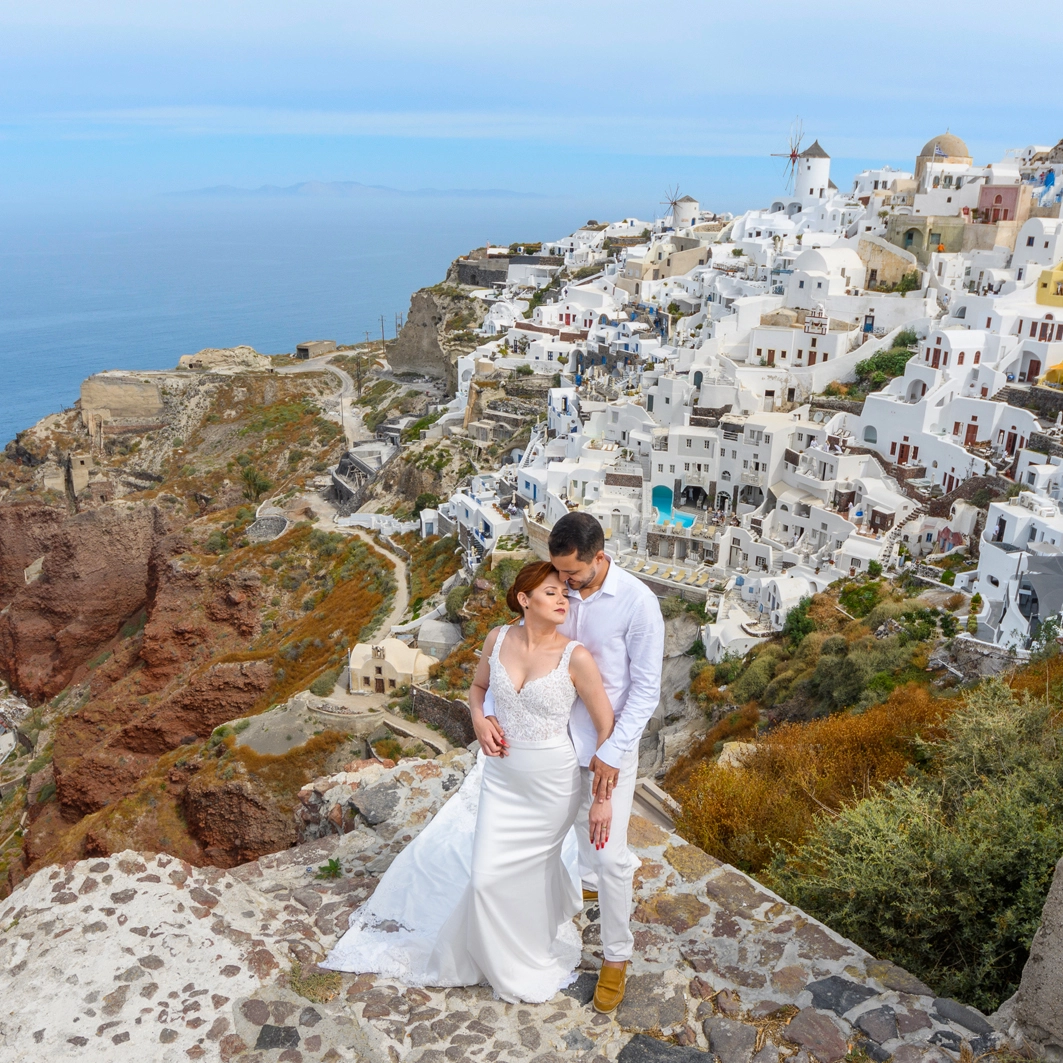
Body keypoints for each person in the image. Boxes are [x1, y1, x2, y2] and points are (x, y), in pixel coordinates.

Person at [322, 561, 615, 1004]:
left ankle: (527, 950)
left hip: (551, 785)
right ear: (524, 599)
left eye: (564, 594)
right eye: (551, 592)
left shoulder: (576, 657)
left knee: (528, 873)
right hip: (500, 778)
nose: (562, 600)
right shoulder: (498, 639)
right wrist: (479, 720)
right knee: (483, 877)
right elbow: (478, 690)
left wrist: (601, 798)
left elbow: (606, 727)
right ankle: (489, 953)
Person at [480, 513, 665, 1012]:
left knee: (609, 856)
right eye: (558, 576)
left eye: (573, 576)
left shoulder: (638, 605)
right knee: (570, 847)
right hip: (554, 750)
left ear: (599, 558)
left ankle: (617, 957)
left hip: (607, 747)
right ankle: (574, 897)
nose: (564, 586)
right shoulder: (558, 597)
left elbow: (646, 690)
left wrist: (610, 762)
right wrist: (486, 716)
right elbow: (512, 672)